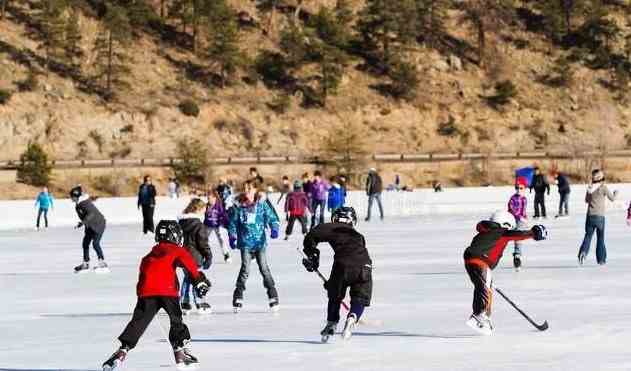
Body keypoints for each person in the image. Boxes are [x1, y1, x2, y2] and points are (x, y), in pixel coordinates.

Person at [102, 220, 210, 371]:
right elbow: (189, 264)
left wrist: (141, 296)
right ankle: (180, 353)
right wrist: (199, 280)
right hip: (168, 291)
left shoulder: (149, 255)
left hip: (147, 293)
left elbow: (143, 276)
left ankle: (121, 352)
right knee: (176, 320)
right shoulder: (177, 250)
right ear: (175, 236)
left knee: (137, 323)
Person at [463, 210, 547, 335]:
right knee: (485, 287)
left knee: (484, 287)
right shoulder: (499, 232)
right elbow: (519, 235)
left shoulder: (488, 232)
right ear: (506, 224)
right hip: (480, 260)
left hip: (472, 260)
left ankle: (481, 316)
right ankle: (481, 316)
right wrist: (533, 233)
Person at [302, 207, 372, 342]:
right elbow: (355, 256)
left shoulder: (333, 227)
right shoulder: (358, 236)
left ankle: (332, 323)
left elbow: (312, 235)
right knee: (360, 298)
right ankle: (352, 317)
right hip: (365, 266)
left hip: (343, 264)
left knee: (335, 295)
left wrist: (312, 255)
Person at [228, 180, 281, 312]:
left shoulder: (261, 205)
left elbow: (272, 217)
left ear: (255, 190)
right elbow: (233, 224)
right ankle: (238, 295)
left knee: (264, 268)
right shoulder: (239, 207)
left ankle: (272, 295)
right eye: (245, 189)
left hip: (259, 243)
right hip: (245, 243)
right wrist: (232, 236)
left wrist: (274, 228)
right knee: (245, 269)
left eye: (249, 189)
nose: (247, 191)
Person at [178, 198, 213, 314]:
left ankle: (185, 302)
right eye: (203, 210)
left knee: (188, 278)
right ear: (198, 209)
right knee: (196, 279)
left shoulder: (181, 223)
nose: (204, 213)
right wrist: (208, 256)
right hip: (195, 257)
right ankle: (199, 302)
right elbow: (203, 243)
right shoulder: (198, 225)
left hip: (182, 257)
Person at [578, 169, 617, 266]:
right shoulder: (603, 187)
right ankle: (601, 260)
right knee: (600, 238)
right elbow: (612, 198)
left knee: (588, 236)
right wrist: (616, 193)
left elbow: (586, 200)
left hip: (590, 216)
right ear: (601, 178)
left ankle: (583, 253)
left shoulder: (590, 188)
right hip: (600, 217)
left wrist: (589, 190)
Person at [70, 186, 108, 273]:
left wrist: (83, 222)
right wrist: (82, 223)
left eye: (72, 196)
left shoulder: (84, 203)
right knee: (85, 243)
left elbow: (91, 214)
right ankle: (86, 264)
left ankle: (102, 263)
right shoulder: (79, 205)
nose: (71, 198)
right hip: (90, 225)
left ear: (76, 197)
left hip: (99, 224)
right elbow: (85, 216)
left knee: (95, 243)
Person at [508, 177, 529, 270]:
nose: (518, 190)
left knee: (519, 238)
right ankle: (517, 256)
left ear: (524, 188)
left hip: (521, 221)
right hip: (513, 220)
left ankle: (517, 255)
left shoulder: (524, 199)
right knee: (515, 238)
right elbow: (511, 209)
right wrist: (519, 216)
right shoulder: (513, 198)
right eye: (517, 188)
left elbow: (524, 210)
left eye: (521, 188)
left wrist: (525, 218)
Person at [204, 190, 231, 263]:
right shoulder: (207, 206)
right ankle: (203, 254)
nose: (208, 200)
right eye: (208, 198)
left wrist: (226, 223)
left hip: (217, 225)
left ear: (214, 198)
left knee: (221, 240)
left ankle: (226, 254)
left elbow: (223, 215)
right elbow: (205, 216)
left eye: (209, 198)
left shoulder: (219, 206)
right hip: (208, 225)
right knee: (204, 239)